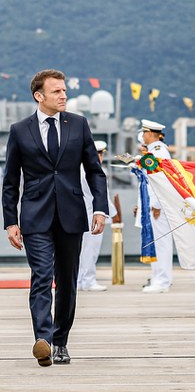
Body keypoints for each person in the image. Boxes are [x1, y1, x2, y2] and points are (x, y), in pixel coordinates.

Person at [2, 69, 107, 366]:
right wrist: (11, 221)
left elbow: (95, 172)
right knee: (41, 277)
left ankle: (61, 341)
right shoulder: (20, 130)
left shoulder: (79, 125)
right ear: (39, 96)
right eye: (57, 91)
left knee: (67, 282)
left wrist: (100, 208)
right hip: (35, 216)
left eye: (64, 90)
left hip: (72, 215)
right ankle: (43, 340)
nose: (64, 95)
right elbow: (10, 181)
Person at [77, 140, 118, 292]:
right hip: (93, 215)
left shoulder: (80, 168)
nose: (100, 157)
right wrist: (113, 214)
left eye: (101, 154)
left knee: (82, 250)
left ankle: (80, 280)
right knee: (91, 250)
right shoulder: (95, 171)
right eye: (98, 154)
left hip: (83, 214)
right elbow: (102, 196)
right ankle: (88, 281)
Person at [139, 119, 174, 293]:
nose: (142, 136)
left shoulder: (160, 152)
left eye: (144, 132)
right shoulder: (152, 151)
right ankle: (157, 277)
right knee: (155, 242)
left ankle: (163, 281)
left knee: (162, 242)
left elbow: (162, 179)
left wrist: (157, 204)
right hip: (151, 203)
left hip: (158, 205)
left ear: (150, 134)